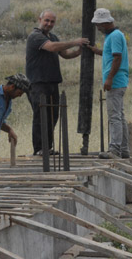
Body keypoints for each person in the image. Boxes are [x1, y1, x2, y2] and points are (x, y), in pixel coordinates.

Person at [26, 9, 89, 155]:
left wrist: (79, 51)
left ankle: (47, 147)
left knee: (52, 116)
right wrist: (75, 41)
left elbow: (65, 54)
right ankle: (39, 149)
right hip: (38, 82)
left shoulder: (53, 36)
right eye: (46, 20)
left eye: (52, 21)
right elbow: (52, 47)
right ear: (39, 19)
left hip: (52, 82)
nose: (49, 24)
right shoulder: (35, 36)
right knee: (41, 115)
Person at [86, 8, 130, 159]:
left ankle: (115, 149)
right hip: (119, 81)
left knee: (114, 116)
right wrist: (95, 50)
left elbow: (117, 58)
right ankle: (124, 149)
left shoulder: (115, 36)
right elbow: (110, 54)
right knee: (119, 115)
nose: (97, 28)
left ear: (104, 23)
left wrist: (109, 78)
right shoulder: (112, 36)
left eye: (98, 25)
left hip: (116, 82)